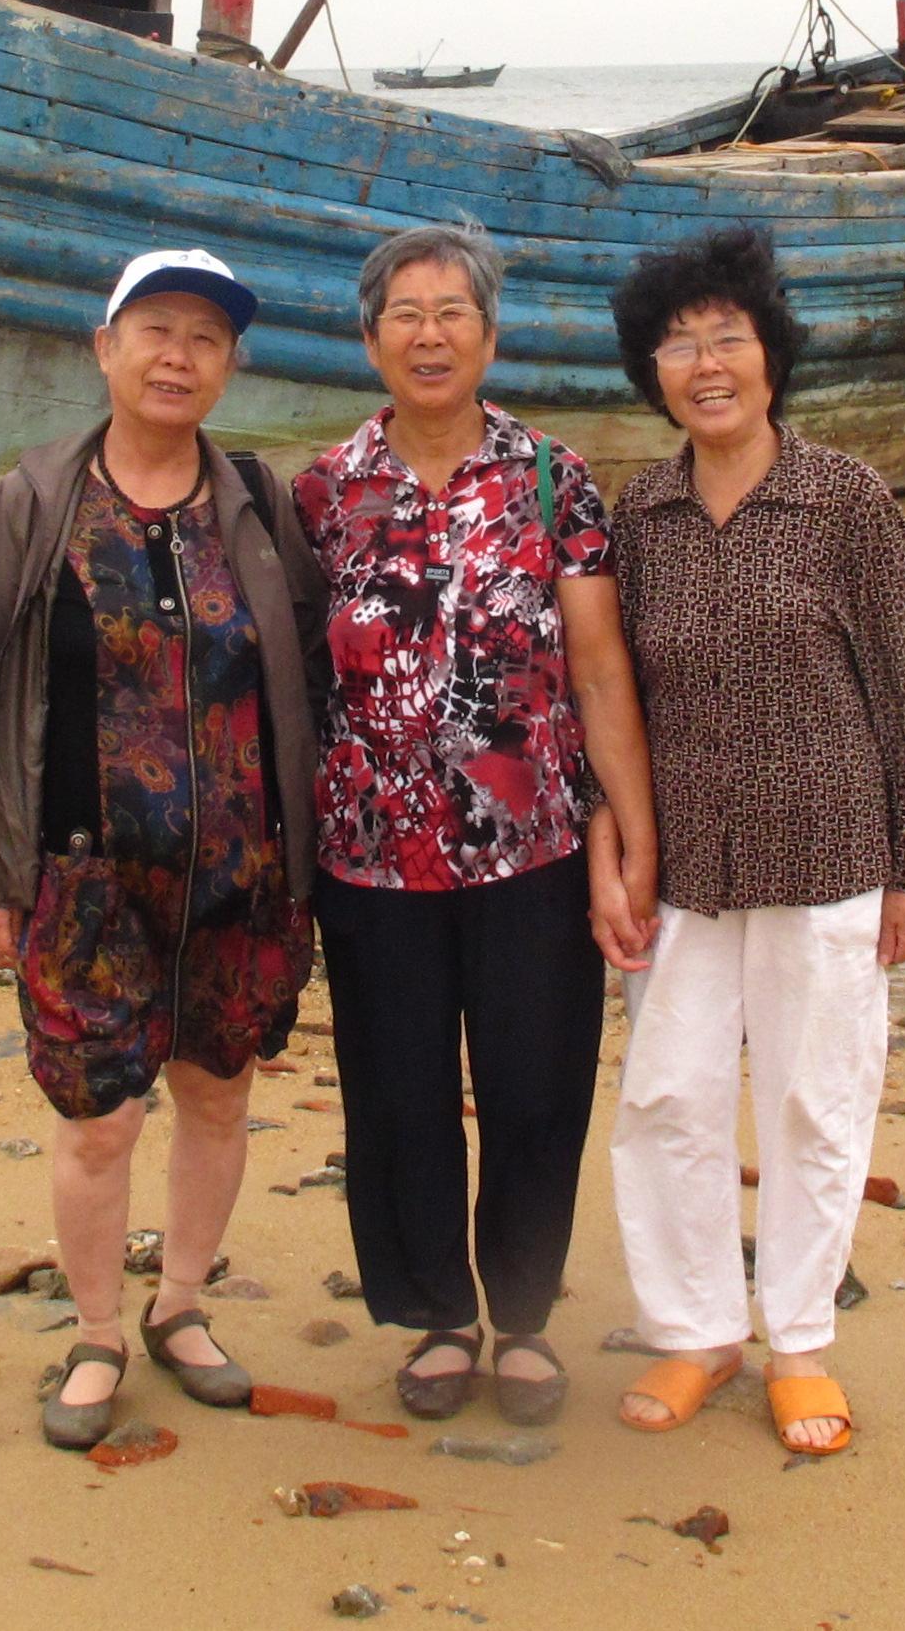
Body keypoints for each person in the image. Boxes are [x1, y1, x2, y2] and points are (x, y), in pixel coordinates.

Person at [0, 246, 326, 1451]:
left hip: (239, 876)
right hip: (84, 873)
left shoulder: (259, 503)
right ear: (104, 348)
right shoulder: (37, 495)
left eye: (206, 338)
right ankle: (100, 1327)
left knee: (219, 1093)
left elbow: (307, 681)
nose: (179, 355)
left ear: (228, 367)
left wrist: (314, 860)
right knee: (98, 1117)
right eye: (154, 329)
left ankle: (184, 1305)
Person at [292, 223, 657, 1427]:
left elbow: (600, 672)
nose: (431, 332)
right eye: (406, 311)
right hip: (369, 854)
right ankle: (438, 1315)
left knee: (534, 1081)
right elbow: (291, 687)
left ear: (492, 337)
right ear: (370, 337)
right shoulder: (322, 493)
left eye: (455, 311)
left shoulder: (557, 479)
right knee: (395, 1087)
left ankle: (524, 1316)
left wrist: (630, 832)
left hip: (532, 848)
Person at [600, 225, 905, 1458]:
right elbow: (611, 693)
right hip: (681, 860)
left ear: (770, 355)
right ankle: (695, 1329)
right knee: (667, 1097)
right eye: (678, 344)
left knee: (814, 1099)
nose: (705, 363)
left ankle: (797, 1340)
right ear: (653, 373)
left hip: (831, 849)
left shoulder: (844, 497)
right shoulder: (640, 510)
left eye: (726, 337)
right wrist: (609, 843)